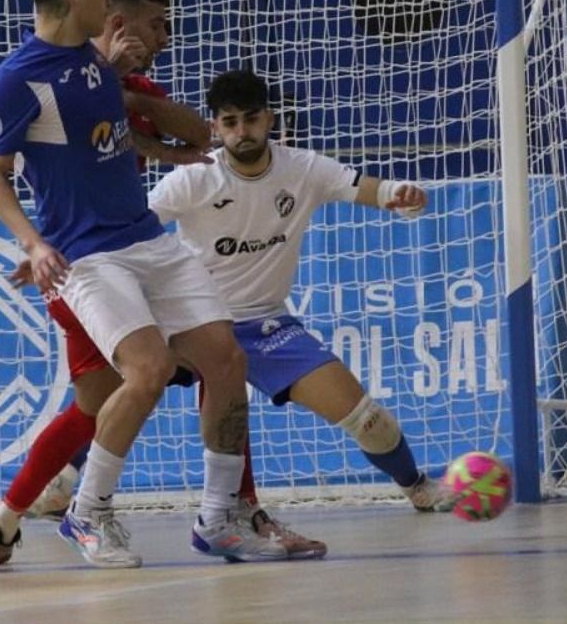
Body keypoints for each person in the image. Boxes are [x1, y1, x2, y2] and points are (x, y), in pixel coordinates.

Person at [0, 0, 324, 566]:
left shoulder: (121, 81)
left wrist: (130, 101)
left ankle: (12, 522)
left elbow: (194, 135)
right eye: (156, 23)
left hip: (132, 246)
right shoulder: (45, 79)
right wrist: (34, 244)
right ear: (113, 17)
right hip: (78, 260)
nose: (165, 35)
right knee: (134, 381)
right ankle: (80, 509)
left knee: (211, 362)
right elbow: (16, 166)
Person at [147, 69, 455, 513]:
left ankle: (417, 486)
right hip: (196, 324)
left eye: (251, 119)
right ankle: (64, 484)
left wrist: (399, 195)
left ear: (269, 120)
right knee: (120, 393)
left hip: (266, 324)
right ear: (214, 128)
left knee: (371, 422)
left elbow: (368, 189)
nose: (242, 131)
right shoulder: (192, 178)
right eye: (229, 122)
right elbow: (132, 229)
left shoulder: (303, 168)